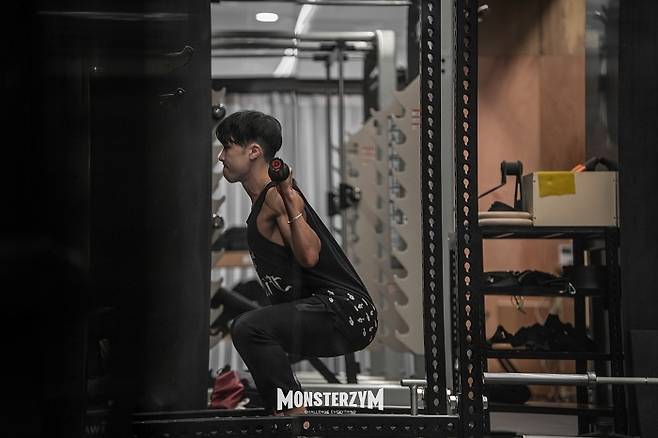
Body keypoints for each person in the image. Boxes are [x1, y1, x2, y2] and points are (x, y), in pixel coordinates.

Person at [216, 110, 378, 415]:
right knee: (256, 333)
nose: (221, 156)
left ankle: (293, 416)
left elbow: (309, 255)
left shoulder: (277, 197)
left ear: (254, 151)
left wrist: (290, 198)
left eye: (227, 147)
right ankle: (285, 412)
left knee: (248, 328)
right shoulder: (264, 200)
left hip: (347, 311)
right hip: (330, 311)